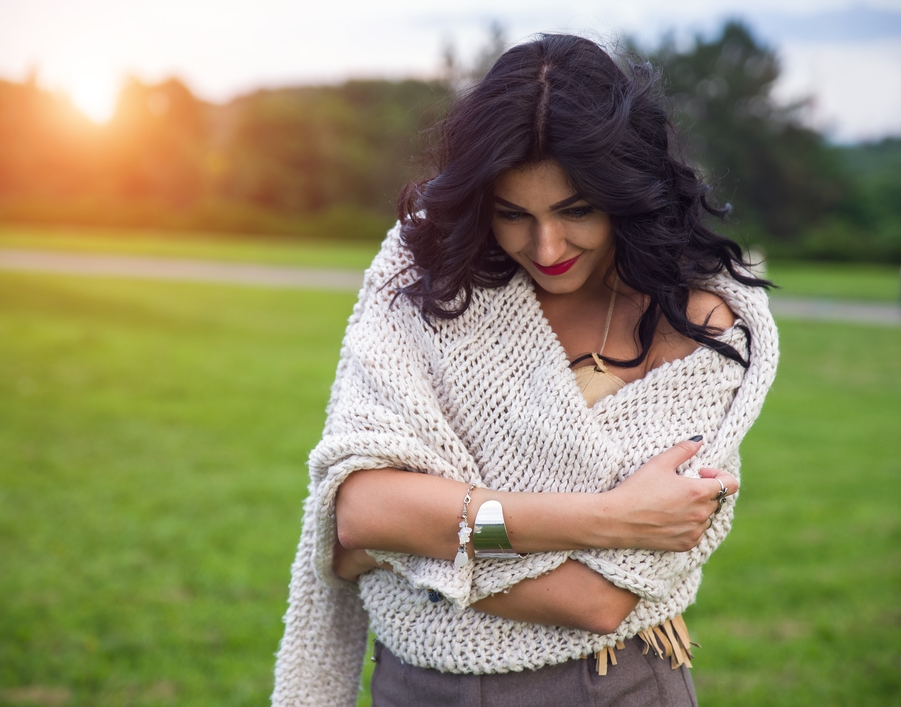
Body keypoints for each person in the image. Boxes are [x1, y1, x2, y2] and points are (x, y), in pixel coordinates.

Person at [271, 34, 778, 706]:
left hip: (609, 683)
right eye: (513, 214)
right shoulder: (428, 278)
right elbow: (363, 511)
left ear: (627, 192)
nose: (546, 246)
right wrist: (605, 517)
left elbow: (599, 598)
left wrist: (414, 544)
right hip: (414, 684)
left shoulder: (704, 322)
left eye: (576, 211)